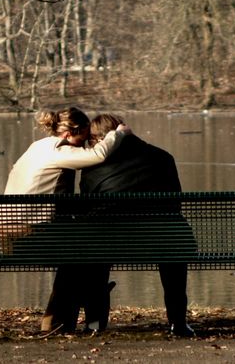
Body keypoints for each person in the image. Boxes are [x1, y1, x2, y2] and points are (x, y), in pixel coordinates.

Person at [0, 107, 129, 334]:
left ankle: (60, 322)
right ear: (70, 133)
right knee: (88, 254)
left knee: (79, 255)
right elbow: (98, 155)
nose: (86, 143)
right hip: (29, 233)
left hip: (8, 231)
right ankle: (75, 318)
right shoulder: (60, 151)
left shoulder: (37, 146)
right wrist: (116, 134)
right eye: (85, 136)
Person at [79, 113, 196, 337]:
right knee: (172, 244)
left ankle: (94, 324)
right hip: (163, 240)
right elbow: (175, 202)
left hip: (110, 241)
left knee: (94, 249)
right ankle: (178, 323)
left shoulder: (94, 167)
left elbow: (88, 208)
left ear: (97, 140)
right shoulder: (163, 157)